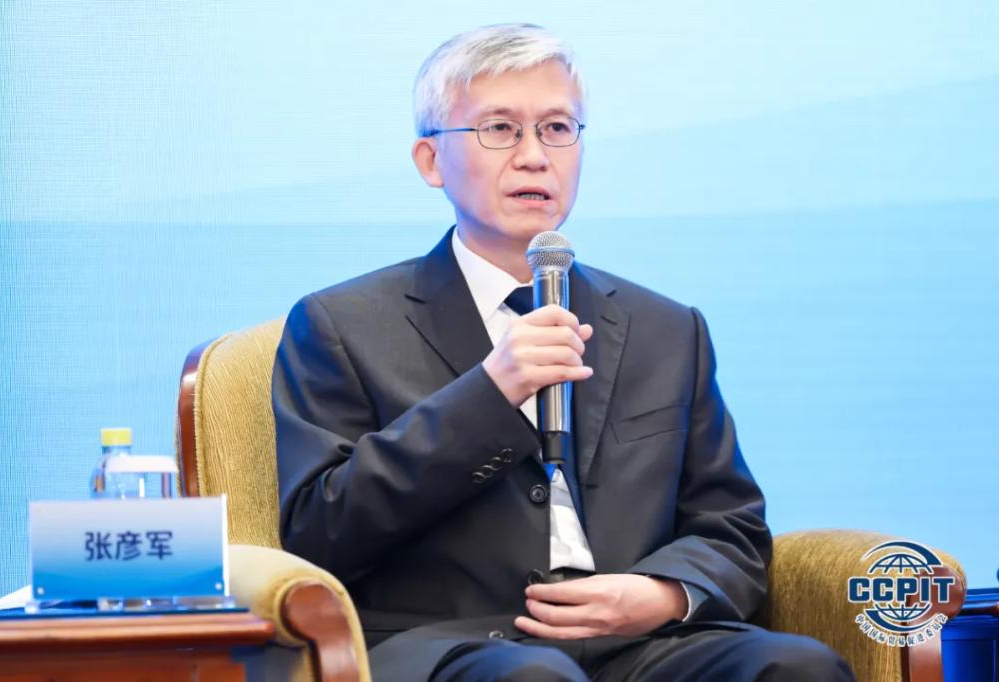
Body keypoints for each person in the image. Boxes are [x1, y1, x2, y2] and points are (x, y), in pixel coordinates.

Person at [273, 23, 855, 682]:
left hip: (636, 644)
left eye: (556, 128)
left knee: (797, 666)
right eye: (499, 129)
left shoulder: (667, 329)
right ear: (431, 161)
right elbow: (318, 534)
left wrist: (663, 594)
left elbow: (732, 528)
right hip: (454, 646)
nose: (533, 156)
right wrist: (489, 396)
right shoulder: (340, 325)